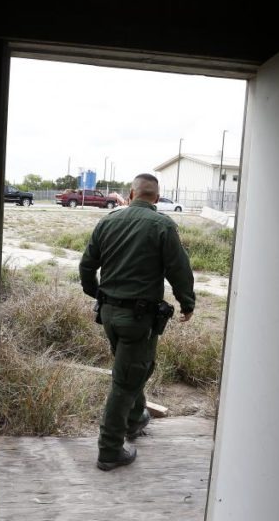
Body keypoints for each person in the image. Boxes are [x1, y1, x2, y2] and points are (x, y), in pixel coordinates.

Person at [79, 173, 195, 471]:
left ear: (130, 195)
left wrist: (97, 293)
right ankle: (109, 450)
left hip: (108, 315)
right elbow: (179, 270)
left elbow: (87, 265)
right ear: (156, 198)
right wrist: (187, 303)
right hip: (138, 318)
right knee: (126, 379)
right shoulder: (162, 225)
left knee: (134, 366)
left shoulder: (107, 221)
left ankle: (135, 418)